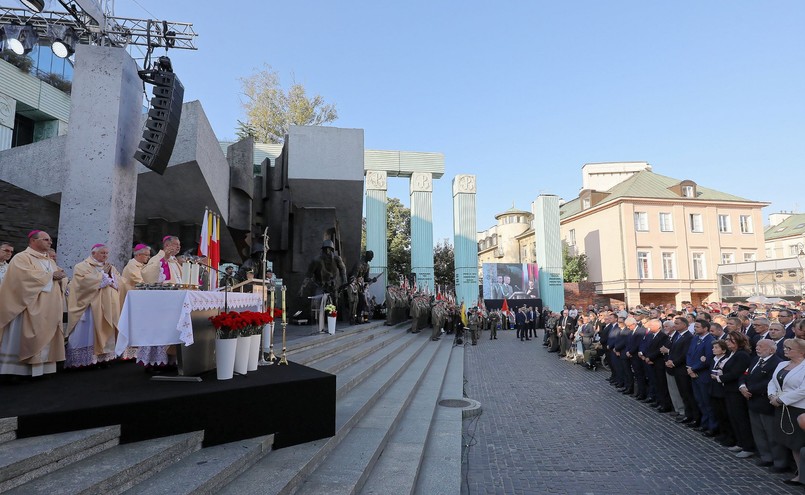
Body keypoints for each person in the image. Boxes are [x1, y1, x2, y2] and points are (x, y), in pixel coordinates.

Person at [0, 230, 67, 377]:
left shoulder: (49, 260)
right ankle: (16, 371)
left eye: (50, 240)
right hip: (27, 306)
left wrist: (61, 278)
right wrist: (50, 276)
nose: (50, 242)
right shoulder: (21, 258)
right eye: (45, 239)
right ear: (33, 241)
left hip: (48, 306)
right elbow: (22, 278)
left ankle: (43, 369)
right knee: (24, 336)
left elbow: (56, 278)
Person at [64, 244, 121, 369]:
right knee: (90, 332)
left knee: (106, 329)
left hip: (108, 305)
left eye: (106, 253)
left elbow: (118, 283)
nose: (105, 255)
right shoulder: (82, 266)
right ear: (93, 253)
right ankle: (85, 360)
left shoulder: (110, 267)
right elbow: (83, 284)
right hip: (90, 306)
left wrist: (111, 277)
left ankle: (103, 358)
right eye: (102, 253)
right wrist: (103, 274)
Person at [740, 338, 787, 470]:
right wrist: (742, 386)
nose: (757, 348)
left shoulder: (778, 363)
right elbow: (745, 373)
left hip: (765, 402)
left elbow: (769, 382)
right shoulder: (755, 360)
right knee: (758, 432)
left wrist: (750, 389)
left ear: (771, 350)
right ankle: (766, 457)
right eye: (757, 346)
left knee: (771, 434)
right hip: (752, 400)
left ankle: (779, 462)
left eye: (761, 346)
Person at [768, 338, 805, 486]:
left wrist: (782, 400)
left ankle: (802, 475)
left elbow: (803, 390)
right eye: (785, 348)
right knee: (791, 442)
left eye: (789, 348)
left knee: (799, 442)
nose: (785, 350)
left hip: (799, 408)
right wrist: (772, 395)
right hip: (782, 407)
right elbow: (773, 381)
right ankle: (799, 473)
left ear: (801, 352)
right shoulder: (782, 364)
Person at [718, 332, 754, 457]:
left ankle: (748, 446)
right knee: (733, 417)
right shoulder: (731, 354)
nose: (727, 341)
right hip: (728, 389)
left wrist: (720, 378)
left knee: (740, 418)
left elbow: (737, 372)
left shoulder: (742, 355)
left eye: (730, 340)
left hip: (736, 391)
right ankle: (740, 442)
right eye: (727, 339)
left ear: (738, 341)